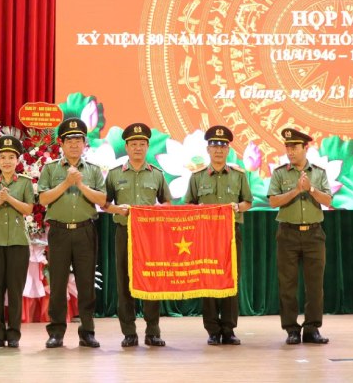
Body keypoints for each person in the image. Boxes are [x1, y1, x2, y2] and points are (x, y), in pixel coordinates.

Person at [37, 117, 107, 348]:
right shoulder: (50, 169)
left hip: (85, 231)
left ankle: (87, 331)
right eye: (70, 140)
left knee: (86, 284)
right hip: (59, 232)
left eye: (79, 140)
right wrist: (66, 183)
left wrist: (81, 185)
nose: (74, 144)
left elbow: (102, 199)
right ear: (61, 143)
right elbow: (43, 199)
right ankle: (56, 332)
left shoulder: (94, 171)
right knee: (57, 284)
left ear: (85, 143)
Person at [183, 125, 252, 346]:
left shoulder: (239, 176)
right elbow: (188, 204)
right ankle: (212, 329)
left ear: (228, 149)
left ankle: (229, 329)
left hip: (231, 234)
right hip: (206, 236)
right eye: (214, 146)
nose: (219, 150)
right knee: (209, 281)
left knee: (231, 280)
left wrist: (237, 207)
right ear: (208, 149)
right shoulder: (198, 176)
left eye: (223, 146)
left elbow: (248, 202)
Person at [103, 123, 170, 348]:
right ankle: (129, 332)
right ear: (127, 147)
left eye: (142, 144)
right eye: (133, 144)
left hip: (150, 236)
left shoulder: (158, 175)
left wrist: (158, 210)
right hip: (124, 232)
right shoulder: (114, 174)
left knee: (151, 283)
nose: (138, 148)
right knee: (124, 283)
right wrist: (117, 209)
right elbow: (104, 204)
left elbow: (167, 202)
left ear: (148, 146)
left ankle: (153, 331)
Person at [267, 127, 332, 345]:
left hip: (314, 234)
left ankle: (312, 328)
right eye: (287, 147)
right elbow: (273, 201)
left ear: (306, 148)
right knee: (287, 285)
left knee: (315, 285)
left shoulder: (319, 172)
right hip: (288, 234)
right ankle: (292, 330)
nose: (290, 151)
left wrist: (310, 189)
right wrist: (296, 191)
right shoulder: (280, 173)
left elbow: (328, 201)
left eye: (294, 147)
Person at [0, 135, 34, 349]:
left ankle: (14, 335)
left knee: (15, 291)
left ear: (17, 160)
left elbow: (28, 209)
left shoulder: (25, 183)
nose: (7, 161)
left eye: (11, 157)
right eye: (3, 157)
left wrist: (9, 199)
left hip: (18, 243)